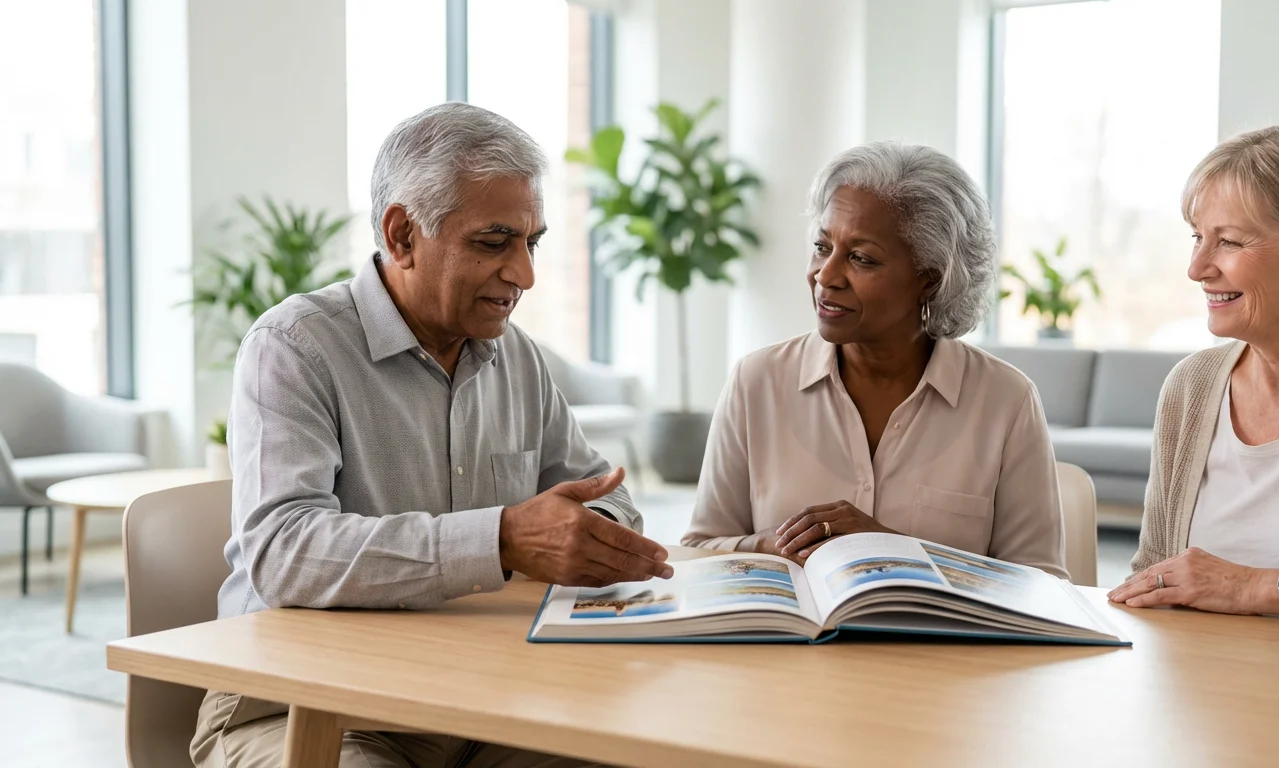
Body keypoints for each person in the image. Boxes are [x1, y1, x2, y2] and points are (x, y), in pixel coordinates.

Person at [191, 102, 673, 768]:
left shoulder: (519, 359)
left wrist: (587, 531)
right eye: (494, 241)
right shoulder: (294, 347)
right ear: (401, 234)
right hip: (306, 705)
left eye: (531, 242)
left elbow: (606, 500)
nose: (524, 274)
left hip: (481, 693)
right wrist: (502, 539)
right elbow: (283, 552)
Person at [682, 141, 1067, 577]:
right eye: (822, 247)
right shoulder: (756, 381)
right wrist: (765, 547)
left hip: (935, 647)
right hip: (786, 644)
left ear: (930, 278)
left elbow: (1044, 585)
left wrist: (890, 551)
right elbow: (699, 549)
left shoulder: (1005, 401)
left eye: (860, 258)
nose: (824, 277)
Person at [1109, 122, 1279, 630]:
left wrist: (1254, 586)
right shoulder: (1191, 387)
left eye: (1229, 241)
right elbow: (1151, 578)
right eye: (1197, 237)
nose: (1197, 268)